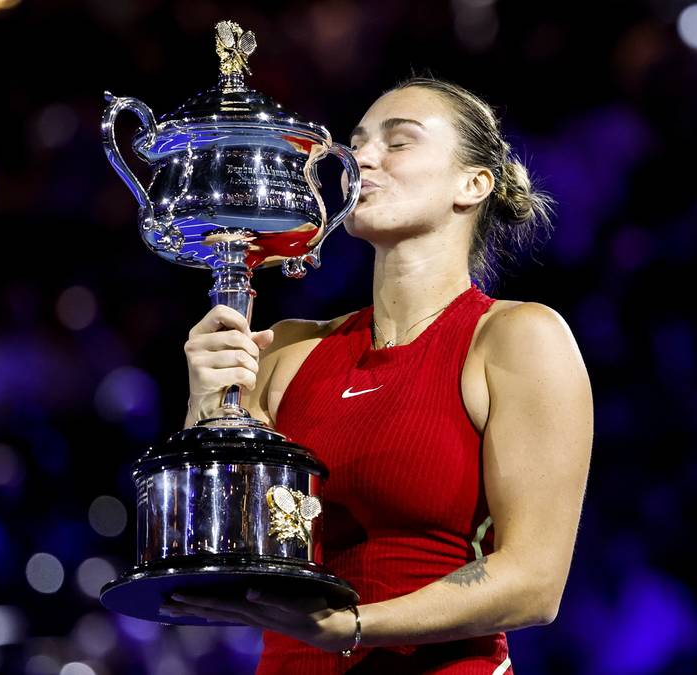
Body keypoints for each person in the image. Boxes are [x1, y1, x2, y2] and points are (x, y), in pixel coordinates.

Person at [166, 75, 593, 674]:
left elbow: (534, 582)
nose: (361, 157)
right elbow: (216, 556)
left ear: (472, 185)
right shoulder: (286, 349)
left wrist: (355, 627)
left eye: (399, 142)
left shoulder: (516, 339)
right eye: (358, 142)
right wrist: (207, 408)